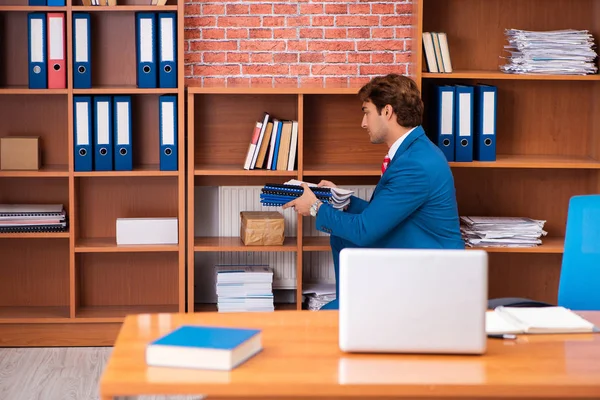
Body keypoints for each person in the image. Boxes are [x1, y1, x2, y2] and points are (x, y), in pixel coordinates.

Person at [282, 73, 464, 310]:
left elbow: (365, 231)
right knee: (341, 235)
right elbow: (384, 213)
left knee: (327, 316)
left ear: (387, 112)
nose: (363, 123)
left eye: (366, 112)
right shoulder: (413, 152)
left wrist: (316, 207)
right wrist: (341, 200)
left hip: (429, 274)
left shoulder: (415, 164)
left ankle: (349, 310)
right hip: (414, 256)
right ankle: (350, 305)